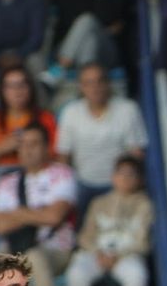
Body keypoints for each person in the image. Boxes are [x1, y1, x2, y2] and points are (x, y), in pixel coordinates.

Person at [0, 125, 77, 286]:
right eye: (23, 145)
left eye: (34, 144)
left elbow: (54, 218)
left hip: (55, 249)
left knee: (35, 258)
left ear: (46, 148)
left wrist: (16, 214)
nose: (28, 150)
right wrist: (38, 214)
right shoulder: (8, 181)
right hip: (15, 248)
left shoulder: (62, 174)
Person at [64, 155, 152, 286]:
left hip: (126, 256)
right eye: (121, 173)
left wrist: (118, 255)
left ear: (139, 179)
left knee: (137, 276)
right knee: (76, 274)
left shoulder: (144, 205)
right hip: (97, 255)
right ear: (113, 176)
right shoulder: (99, 203)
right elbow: (85, 236)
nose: (125, 178)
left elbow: (143, 242)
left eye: (130, 174)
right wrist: (99, 253)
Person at [55, 62, 145, 193]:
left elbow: (136, 153)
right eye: (88, 83)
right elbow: (64, 156)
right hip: (82, 184)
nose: (95, 87)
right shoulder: (70, 112)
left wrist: (128, 185)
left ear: (108, 83)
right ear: (81, 87)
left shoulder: (128, 109)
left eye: (100, 81)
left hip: (120, 186)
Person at [0, 61, 54, 178]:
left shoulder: (45, 118)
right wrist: (1, 149)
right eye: (10, 86)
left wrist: (31, 147)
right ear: (2, 91)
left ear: (30, 88)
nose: (17, 91)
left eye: (22, 85)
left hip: (37, 172)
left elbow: (56, 157)